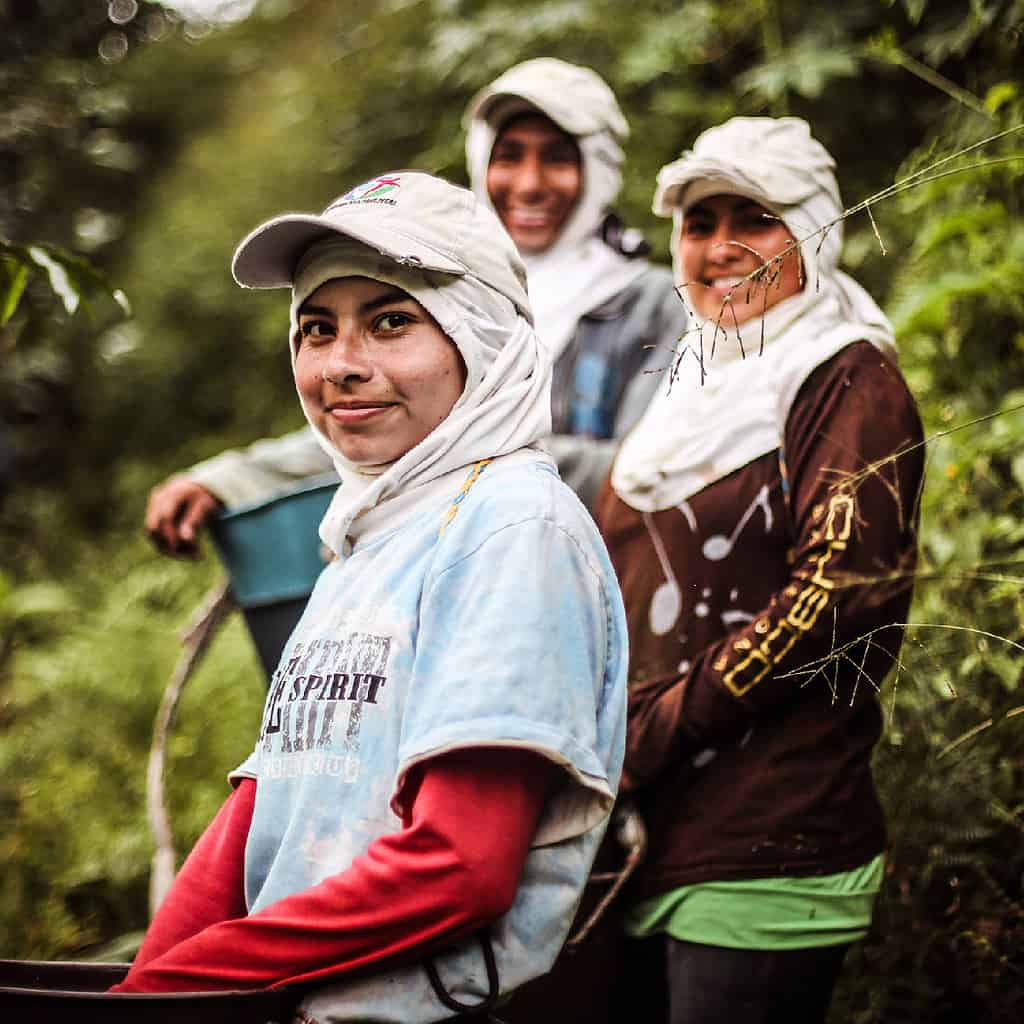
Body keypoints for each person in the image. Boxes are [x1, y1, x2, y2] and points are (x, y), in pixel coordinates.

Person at [112, 171, 628, 1022]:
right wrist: (144, 989)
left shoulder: (510, 527)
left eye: (391, 322)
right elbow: (273, 796)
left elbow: (461, 864)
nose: (343, 367)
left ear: (483, 336)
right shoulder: (371, 535)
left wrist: (191, 981)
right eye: (317, 329)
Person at [594, 117, 926, 1023]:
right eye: (701, 222)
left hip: (770, 836)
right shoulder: (687, 392)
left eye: (758, 217)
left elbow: (842, 593)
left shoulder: (843, 374)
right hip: (641, 836)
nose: (721, 245)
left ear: (815, 228)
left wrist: (655, 729)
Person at [145, 58, 685, 554]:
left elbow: (646, 472)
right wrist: (229, 479)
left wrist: (467, 445)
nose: (529, 183)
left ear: (601, 168)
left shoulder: (652, 305)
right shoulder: (447, 284)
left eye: (557, 159)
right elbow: (377, 416)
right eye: (509, 155)